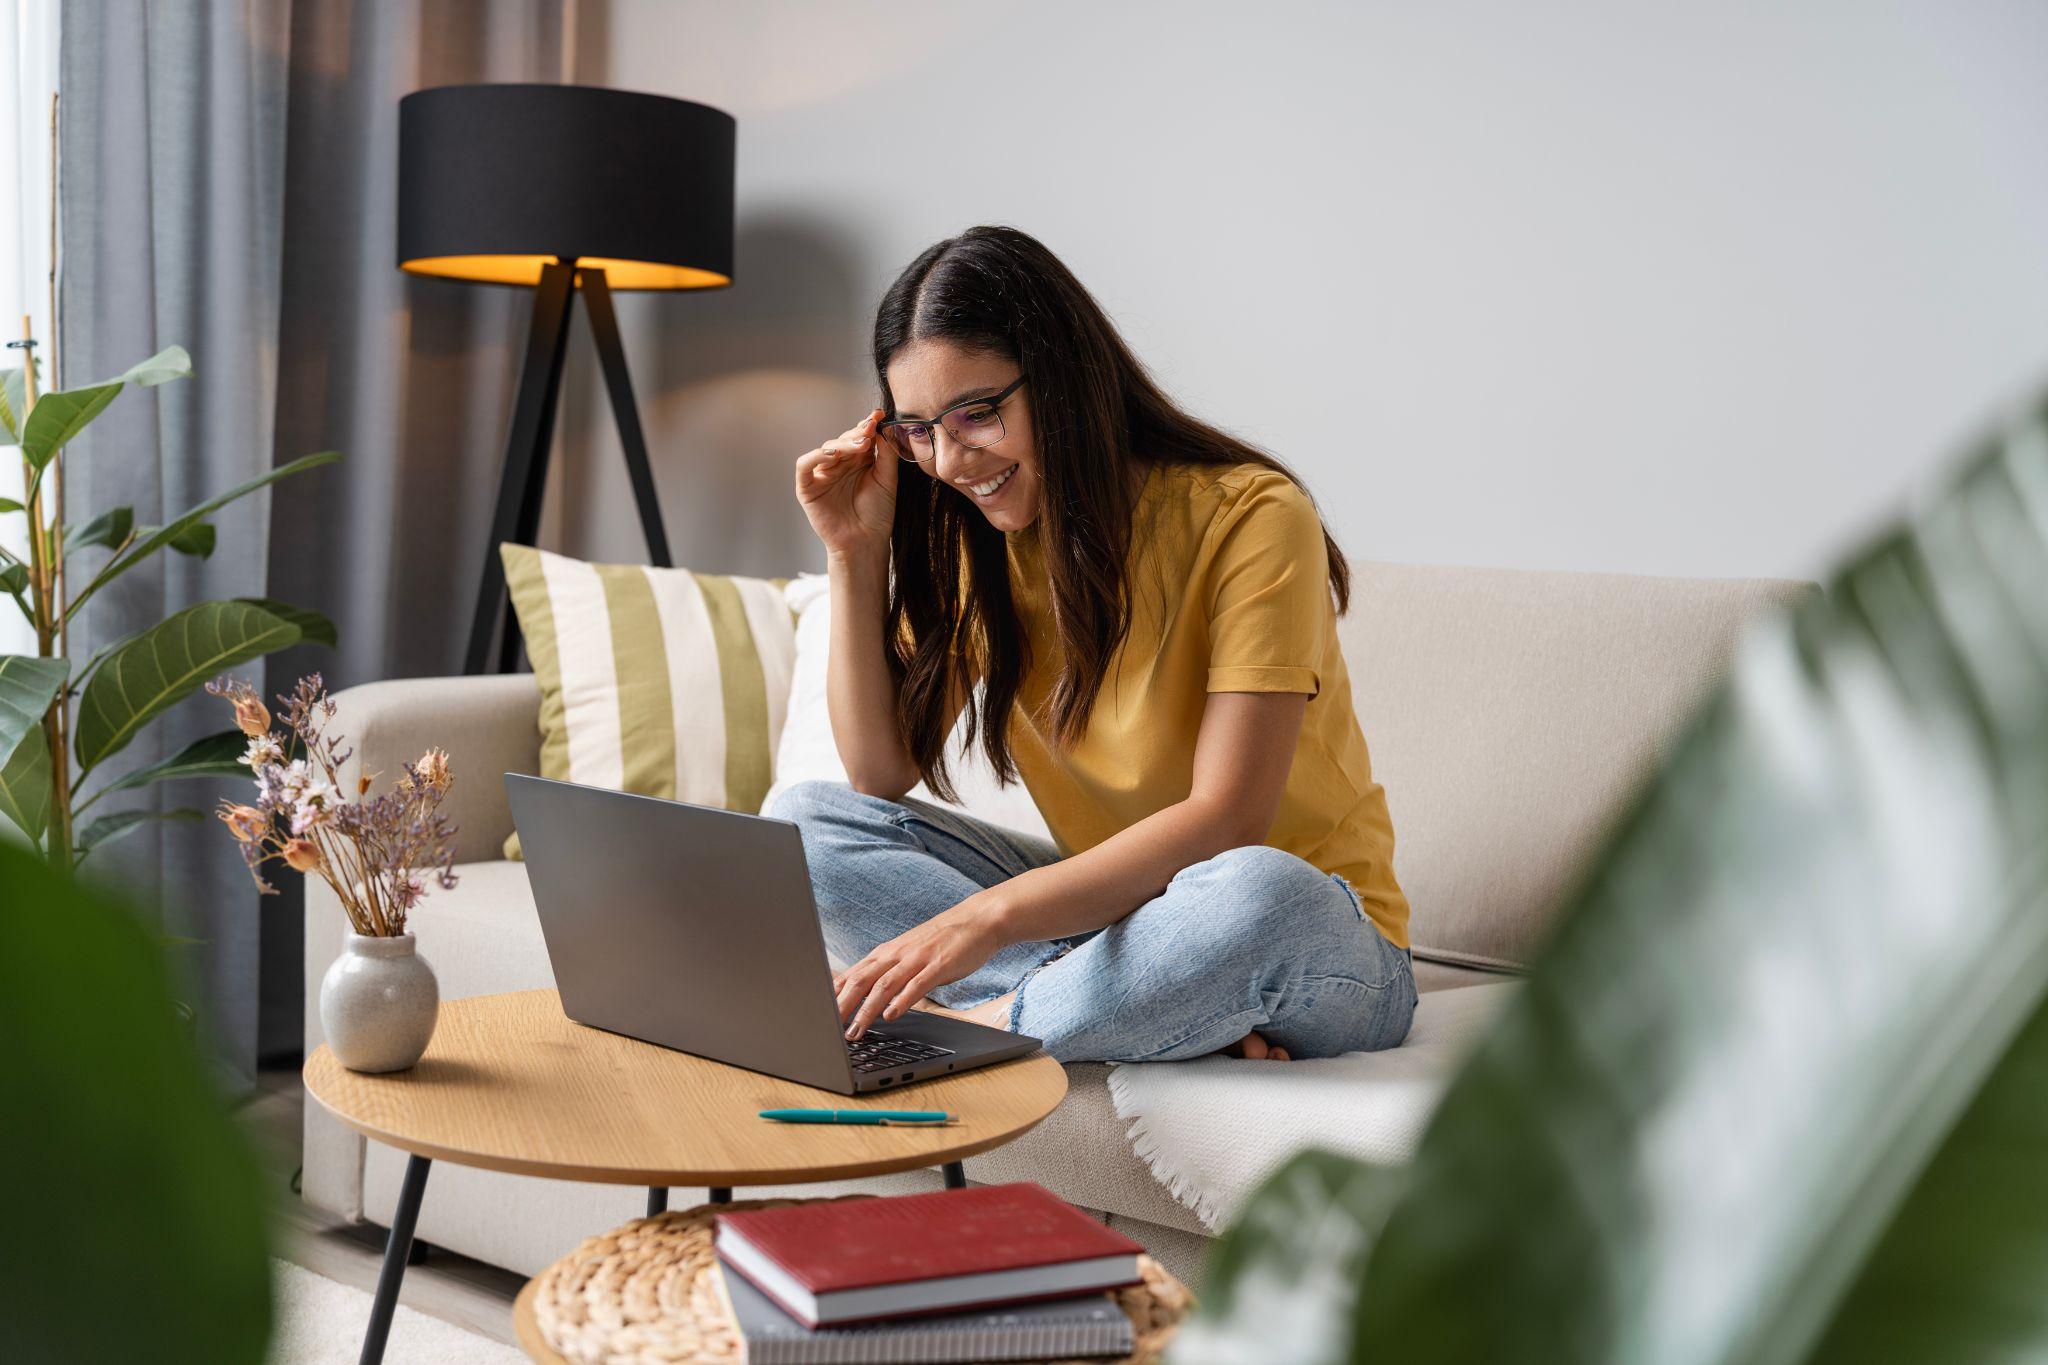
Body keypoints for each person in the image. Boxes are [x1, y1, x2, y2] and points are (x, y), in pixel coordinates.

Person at [767, 225, 1416, 1064]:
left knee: (1260, 893)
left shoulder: (1251, 514)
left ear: (1064, 378)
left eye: (978, 413)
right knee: (804, 824)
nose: (952, 460)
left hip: (1322, 938)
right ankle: (1153, 1002)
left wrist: (986, 916)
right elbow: (878, 774)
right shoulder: (979, 543)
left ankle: (993, 1025)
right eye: (917, 429)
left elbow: (1230, 820)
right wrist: (854, 553)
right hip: (1122, 923)